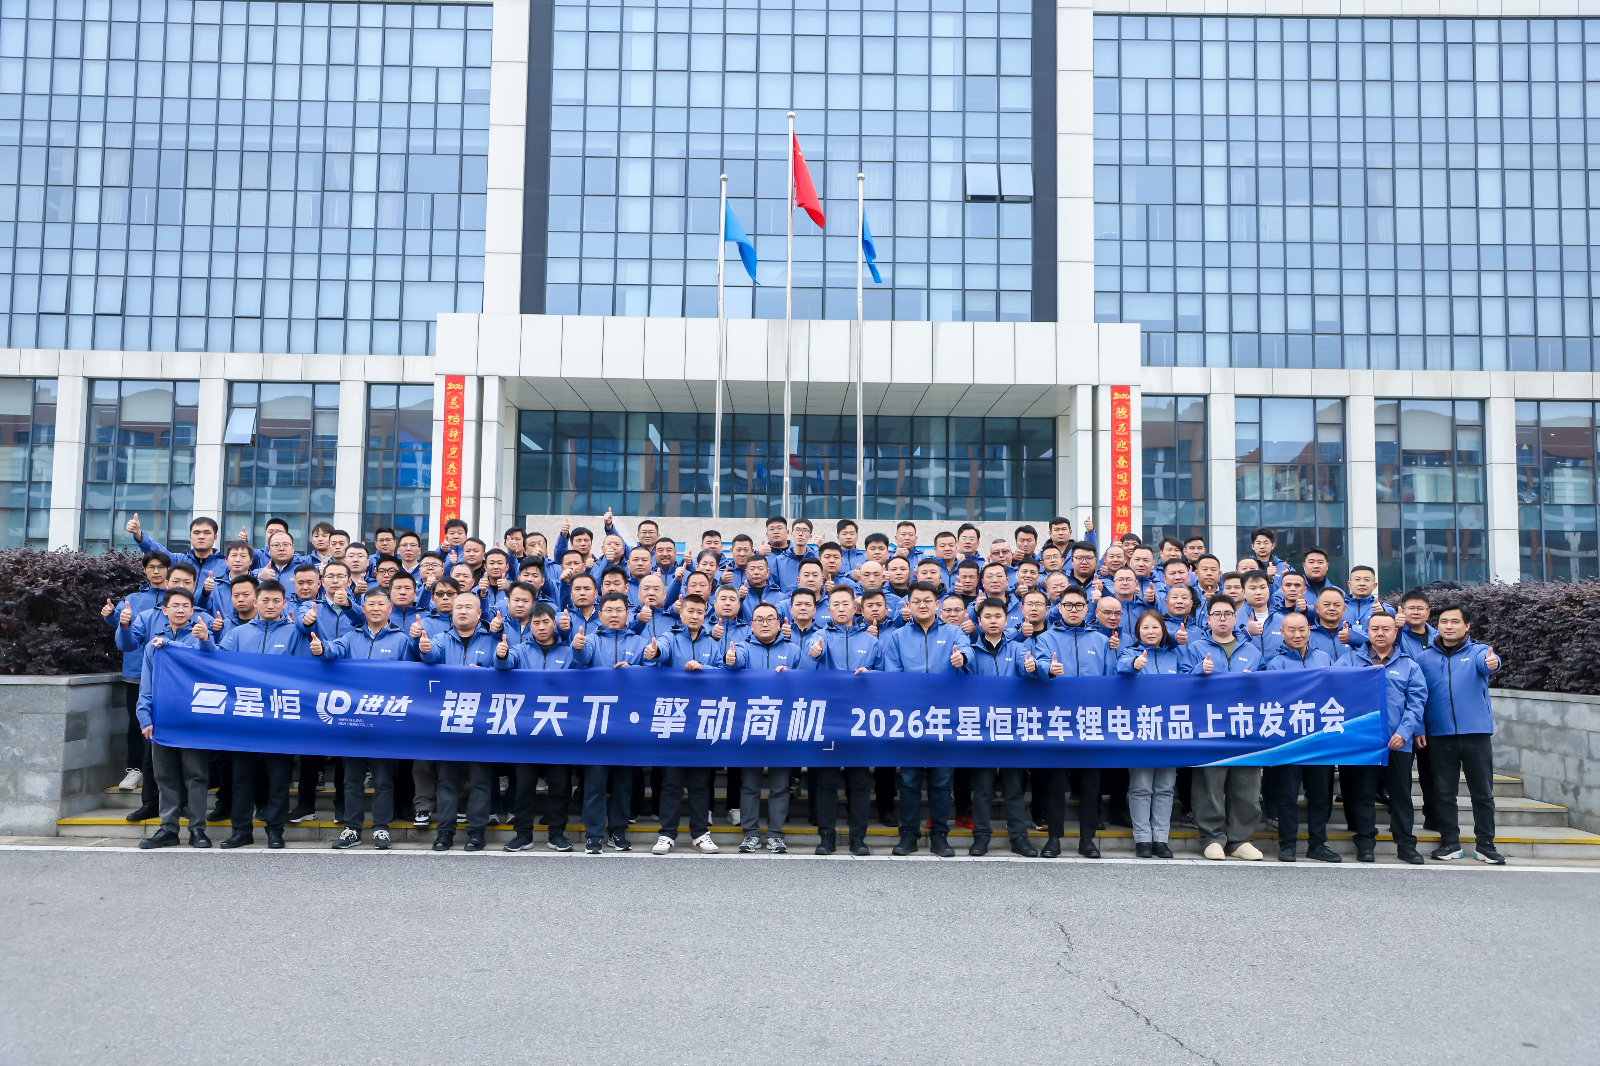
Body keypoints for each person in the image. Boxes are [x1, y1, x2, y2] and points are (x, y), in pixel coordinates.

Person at [314, 586, 417, 851]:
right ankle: (352, 828)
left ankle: (381, 827)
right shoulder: (351, 637)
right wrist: (320, 648)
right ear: (363, 608)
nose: (375, 608)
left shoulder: (401, 640)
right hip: (354, 720)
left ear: (390, 608)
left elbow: (410, 677)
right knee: (352, 780)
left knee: (383, 780)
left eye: (381, 604)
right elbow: (332, 650)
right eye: (370, 604)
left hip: (385, 722)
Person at [216, 579, 314, 849]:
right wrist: (201, 643)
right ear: (255, 602)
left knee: (278, 780)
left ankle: (275, 830)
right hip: (244, 717)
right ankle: (241, 830)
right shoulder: (238, 634)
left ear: (284, 603)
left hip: (280, 719)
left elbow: (305, 671)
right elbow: (217, 663)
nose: (270, 605)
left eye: (276, 601)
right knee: (241, 780)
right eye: (265, 600)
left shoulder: (295, 633)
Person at [881, 581, 970, 858]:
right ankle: (908, 834)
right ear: (908, 605)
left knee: (941, 780)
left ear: (937, 604)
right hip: (911, 718)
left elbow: (967, 652)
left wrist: (962, 659)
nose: (922, 605)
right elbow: (893, 675)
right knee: (909, 780)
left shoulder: (954, 632)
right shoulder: (897, 636)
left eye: (928, 600)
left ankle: (940, 835)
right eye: (917, 601)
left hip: (944, 718)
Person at [1336, 612, 1428, 864]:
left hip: (1398, 740)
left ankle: (1406, 845)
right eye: (1375, 628)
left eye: (1386, 629)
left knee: (1401, 795)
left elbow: (1416, 704)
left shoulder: (1409, 665)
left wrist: (1404, 732)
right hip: (1363, 742)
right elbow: (1334, 691)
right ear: (1367, 632)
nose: (1380, 633)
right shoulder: (1349, 661)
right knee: (1363, 793)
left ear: (1395, 633)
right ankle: (1365, 842)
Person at [1416, 604, 1505, 864]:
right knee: (1444, 792)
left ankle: (1486, 844)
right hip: (1439, 734)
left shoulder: (1478, 651)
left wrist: (1493, 663)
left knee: (1482, 793)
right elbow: (1417, 696)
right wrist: (1419, 727)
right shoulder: (1424, 658)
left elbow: (1489, 664)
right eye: (1444, 621)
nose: (1449, 626)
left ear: (1467, 626)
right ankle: (1450, 842)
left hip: (1476, 734)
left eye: (1455, 621)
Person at [418, 591, 505, 852]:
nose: (463, 611)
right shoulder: (440, 639)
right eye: (458, 607)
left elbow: (503, 667)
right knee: (446, 779)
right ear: (452, 612)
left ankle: (476, 832)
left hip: (481, 720)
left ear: (479, 613)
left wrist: (490, 669)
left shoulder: (492, 639)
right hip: (448, 719)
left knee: (480, 779)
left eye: (469, 607)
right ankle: (445, 832)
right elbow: (431, 655)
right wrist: (424, 649)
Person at [132, 587, 216, 849]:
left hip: (193, 719)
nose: (180, 610)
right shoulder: (153, 644)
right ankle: (168, 828)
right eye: (175, 606)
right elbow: (146, 684)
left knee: (196, 775)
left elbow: (208, 660)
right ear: (164, 610)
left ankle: (197, 829)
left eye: (185, 606)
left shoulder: (200, 637)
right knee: (165, 776)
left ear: (193, 610)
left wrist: (205, 640)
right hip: (163, 719)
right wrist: (145, 716)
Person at [498, 602, 585, 853]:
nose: (541, 627)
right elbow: (504, 665)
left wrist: (579, 649)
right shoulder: (520, 650)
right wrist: (501, 655)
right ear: (530, 626)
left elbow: (583, 671)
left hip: (559, 730)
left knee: (560, 787)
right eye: (536, 623)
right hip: (527, 731)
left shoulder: (568, 651)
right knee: (524, 787)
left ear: (555, 624)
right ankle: (523, 835)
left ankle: (556, 834)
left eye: (546, 622)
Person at [805, 586, 882, 855]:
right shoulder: (819, 636)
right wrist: (814, 655)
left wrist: (871, 674)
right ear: (828, 609)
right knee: (827, 781)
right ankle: (826, 837)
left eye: (845, 603)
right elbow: (805, 667)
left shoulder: (871, 641)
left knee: (859, 782)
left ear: (855, 608)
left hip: (860, 720)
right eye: (835, 604)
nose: (840, 608)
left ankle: (857, 839)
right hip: (829, 719)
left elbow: (885, 674)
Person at [963, 597, 1040, 857]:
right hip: (981, 728)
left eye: (998, 616)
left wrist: (1031, 668)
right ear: (979, 621)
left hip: (1011, 727)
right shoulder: (971, 651)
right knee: (982, 788)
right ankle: (981, 837)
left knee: (1014, 787)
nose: (993, 621)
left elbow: (1027, 670)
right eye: (988, 616)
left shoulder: (1018, 648)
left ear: (1007, 620)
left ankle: (1018, 837)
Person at [648, 592, 723, 857]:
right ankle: (667, 834)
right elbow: (660, 652)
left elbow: (723, 672)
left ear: (705, 615)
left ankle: (700, 834)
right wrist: (654, 652)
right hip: (673, 720)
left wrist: (705, 668)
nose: (694, 616)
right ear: (681, 613)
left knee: (700, 783)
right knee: (671, 781)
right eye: (690, 611)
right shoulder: (670, 637)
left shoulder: (713, 642)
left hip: (702, 721)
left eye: (699, 612)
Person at [102, 549, 174, 820]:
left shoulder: (176, 599)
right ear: (144, 570)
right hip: (136, 672)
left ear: (168, 570)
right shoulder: (132, 600)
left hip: (169, 675)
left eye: (160, 567)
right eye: (151, 567)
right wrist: (112, 616)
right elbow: (123, 631)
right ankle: (135, 770)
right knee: (136, 723)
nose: (156, 571)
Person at [725, 602, 803, 853]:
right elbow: (735, 662)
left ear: (779, 624)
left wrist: (793, 676)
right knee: (749, 785)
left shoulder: (793, 650)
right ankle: (750, 834)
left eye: (770, 619)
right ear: (751, 624)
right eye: (759, 619)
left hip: (783, 727)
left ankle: (775, 835)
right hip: (751, 726)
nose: (765, 623)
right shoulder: (743, 647)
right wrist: (731, 659)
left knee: (780, 785)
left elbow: (807, 681)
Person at [1262, 612, 1339, 863]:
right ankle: (1287, 844)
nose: (1298, 635)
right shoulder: (1276, 663)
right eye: (1291, 630)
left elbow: (1336, 691)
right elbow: (1275, 700)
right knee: (1287, 795)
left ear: (1309, 630)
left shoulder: (1324, 658)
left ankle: (1318, 844)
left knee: (1320, 795)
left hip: (1319, 738)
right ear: (1282, 633)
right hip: (1290, 739)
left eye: (1302, 629)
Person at [574, 591, 644, 854]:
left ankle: (618, 831)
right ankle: (593, 834)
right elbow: (582, 659)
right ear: (600, 614)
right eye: (609, 610)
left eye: (619, 610)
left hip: (628, 724)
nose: (614, 615)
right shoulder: (591, 639)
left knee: (623, 783)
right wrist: (577, 647)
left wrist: (635, 670)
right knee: (595, 782)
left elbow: (651, 672)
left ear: (628, 614)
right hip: (597, 723)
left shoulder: (639, 642)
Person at [1116, 609, 1186, 859]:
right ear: (1138, 632)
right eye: (1145, 627)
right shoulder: (1129, 652)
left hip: (1170, 729)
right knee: (1141, 786)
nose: (1150, 632)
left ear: (1163, 631)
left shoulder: (1175, 654)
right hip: (1142, 728)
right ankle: (1143, 838)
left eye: (1155, 627)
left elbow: (1190, 677)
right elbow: (1120, 667)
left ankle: (1161, 838)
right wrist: (1133, 665)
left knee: (1166, 787)